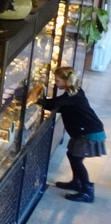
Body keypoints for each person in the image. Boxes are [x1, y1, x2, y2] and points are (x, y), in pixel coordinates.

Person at [32, 66, 106, 203]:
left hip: (89, 132)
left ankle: (87, 190)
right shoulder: (73, 93)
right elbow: (58, 104)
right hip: (84, 131)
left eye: (58, 80)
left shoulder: (74, 96)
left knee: (76, 159)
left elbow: (52, 104)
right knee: (72, 156)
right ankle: (76, 183)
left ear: (66, 81)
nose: (55, 83)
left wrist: (33, 98)